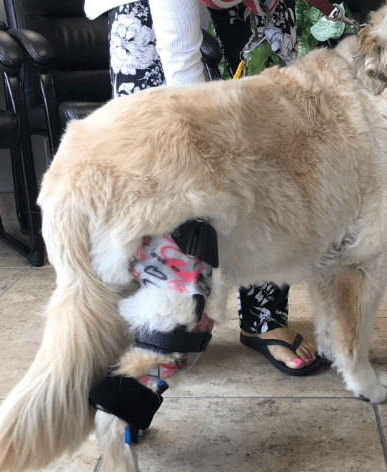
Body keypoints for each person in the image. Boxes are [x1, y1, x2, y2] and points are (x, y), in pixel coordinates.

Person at [84, 0, 322, 375]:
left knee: (275, 146)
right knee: (155, 161)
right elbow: (180, 61)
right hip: (150, 9)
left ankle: (265, 317)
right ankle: (163, 325)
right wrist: (200, 145)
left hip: (258, 8)